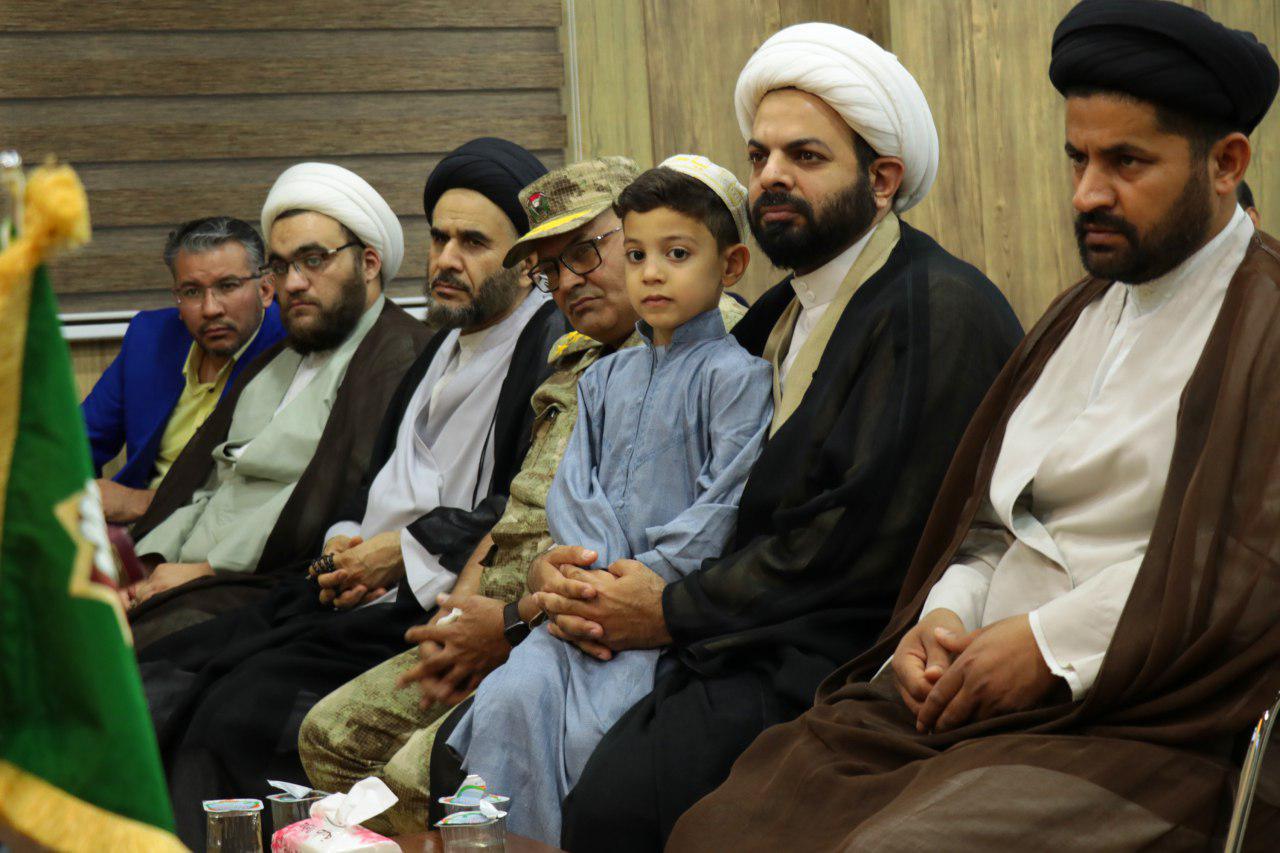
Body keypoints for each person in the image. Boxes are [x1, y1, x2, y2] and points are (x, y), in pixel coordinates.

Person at [667, 3, 1280, 849]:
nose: (1088, 193)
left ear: (1226, 163)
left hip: (1141, 721)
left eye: (1126, 162)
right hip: (970, 685)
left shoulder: (1265, 325)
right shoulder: (1081, 313)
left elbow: (1248, 568)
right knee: (722, 823)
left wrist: (1044, 644)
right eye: (1078, 159)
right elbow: (994, 525)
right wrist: (942, 619)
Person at [537, 23, 1023, 851]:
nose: (770, 177)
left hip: (841, 655)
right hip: (737, 626)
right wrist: (575, 572)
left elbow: (854, 546)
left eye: (806, 155)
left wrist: (669, 608)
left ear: (882, 180)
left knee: (615, 804)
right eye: (759, 156)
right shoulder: (780, 311)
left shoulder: (935, 308)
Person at [296, 156, 754, 836]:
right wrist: (473, 610)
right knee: (334, 733)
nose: (568, 282)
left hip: (609, 615)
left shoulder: (734, 358)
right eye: (549, 270)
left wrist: (543, 606)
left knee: (450, 776)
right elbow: (540, 503)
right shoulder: (588, 368)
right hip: (547, 606)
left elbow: (723, 508)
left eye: (586, 253)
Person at [137, 138, 567, 849]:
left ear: (527, 260)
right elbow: (375, 480)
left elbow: (519, 507)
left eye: (472, 243)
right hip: (355, 586)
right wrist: (346, 538)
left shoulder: (547, 347)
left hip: (424, 601)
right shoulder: (444, 343)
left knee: (237, 710)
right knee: (184, 666)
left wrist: (401, 551)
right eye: (439, 238)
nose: (446, 259)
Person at [445, 155, 772, 843]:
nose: (651, 273)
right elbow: (573, 492)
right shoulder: (599, 379)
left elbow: (723, 504)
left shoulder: (740, 377)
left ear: (732, 265)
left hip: (654, 616)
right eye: (637, 255)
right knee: (509, 697)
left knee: (597, 739)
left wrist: (636, 581)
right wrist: (586, 579)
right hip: (581, 607)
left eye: (676, 254)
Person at [122, 165, 429, 646]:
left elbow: (328, 506)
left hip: (266, 584)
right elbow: (207, 484)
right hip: (186, 572)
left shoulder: (399, 358)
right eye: (282, 266)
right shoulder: (277, 360)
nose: (294, 283)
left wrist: (202, 572)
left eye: (313, 260)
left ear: (369, 263)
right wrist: (149, 564)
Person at [82, 216, 284, 523]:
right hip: (135, 531)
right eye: (191, 292)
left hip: (230, 533)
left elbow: (276, 489)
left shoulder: (292, 348)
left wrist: (142, 502)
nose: (211, 308)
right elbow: (77, 443)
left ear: (266, 289)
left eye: (228, 286)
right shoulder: (150, 339)